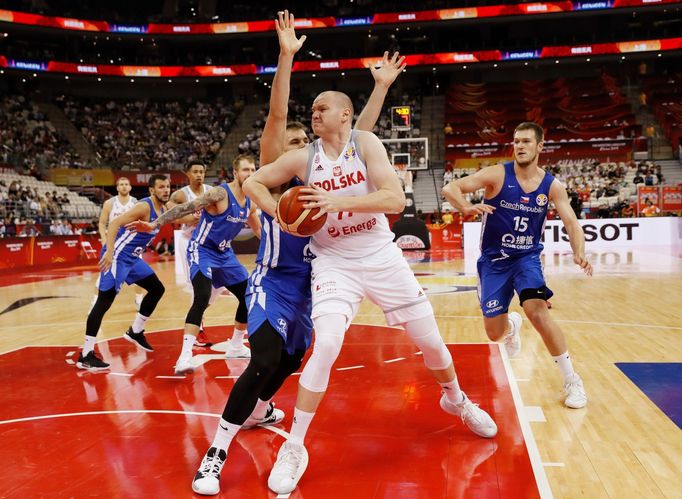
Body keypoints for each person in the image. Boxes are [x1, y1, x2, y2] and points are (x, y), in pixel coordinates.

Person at [189, 12, 410, 497]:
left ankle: (261, 407)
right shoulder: (283, 176)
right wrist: (286, 56)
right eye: (295, 141)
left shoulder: (335, 170)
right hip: (273, 280)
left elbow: (360, 132)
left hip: (316, 283)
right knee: (264, 358)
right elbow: (275, 117)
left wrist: (380, 89)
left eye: (305, 140)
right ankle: (216, 453)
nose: (303, 144)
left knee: (293, 359)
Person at [242, 90, 497, 495]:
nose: (314, 114)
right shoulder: (304, 157)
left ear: (345, 113)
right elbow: (255, 180)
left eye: (321, 108)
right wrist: (279, 214)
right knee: (325, 345)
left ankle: (457, 399)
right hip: (333, 264)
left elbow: (393, 198)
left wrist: (333, 200)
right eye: (311, 110)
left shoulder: (366, 143)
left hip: (381, 256)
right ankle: (294, 445)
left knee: (432, 345)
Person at [442, 121, 591, 411]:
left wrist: (578, 252)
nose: (520, 146)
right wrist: (466, 207)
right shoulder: (497, 174)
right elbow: (451, 187)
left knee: (538, 312)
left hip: (527, 259)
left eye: (526, 141)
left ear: (540, 146)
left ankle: (572, 379)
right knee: (494, 333)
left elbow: (572, 222)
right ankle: (510, 326)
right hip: (494, 263)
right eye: (516, 141)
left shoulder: (551, 185)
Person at [128, 155, 262, 373]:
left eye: (253, 169)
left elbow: (258, 231)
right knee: (201, 297)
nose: (250, 174)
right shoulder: (219, 193)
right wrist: (154, 223)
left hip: (225, 254)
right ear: (235, 173)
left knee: (248, 295)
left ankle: (237, 345)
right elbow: (185, 208)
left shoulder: (251, 202)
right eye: (245, 170)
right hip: (202, 250)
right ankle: (184, 356)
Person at [76, 174, 170, 371]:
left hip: (133, 258)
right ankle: (85, 354)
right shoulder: (144, 206)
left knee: (157, 289)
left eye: (167, 187)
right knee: (104, 301)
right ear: (152, 190)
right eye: (161, 187)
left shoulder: (165, 209)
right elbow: (113, 224)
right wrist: (109, 252)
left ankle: (135, 331)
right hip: (118, 255)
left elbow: (181, 214)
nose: (166, 190)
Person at [169, 160, 222, 348]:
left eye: (201, 171)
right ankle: (197, 329)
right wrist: (190, 218)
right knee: (196, 285)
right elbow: (170, 211)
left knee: (219, 286)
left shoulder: (211, 191)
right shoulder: (181, 194)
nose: (199, 175)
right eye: (195, 172)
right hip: (189, 241)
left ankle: (195, 314)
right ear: (188, 174)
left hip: (209, 241)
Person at [92, 177, 144, 309]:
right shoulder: (110, 203)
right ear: (117, 187)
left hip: (131, 243)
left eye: (126, 184)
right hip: (113, 244)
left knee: (141, 275)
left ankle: (139, 299)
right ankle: (95, 301)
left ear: (130, 187)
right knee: (104, 273)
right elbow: (102, 223)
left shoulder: (136, 203)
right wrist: (104, 240)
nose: (124, 187)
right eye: (121, 184)